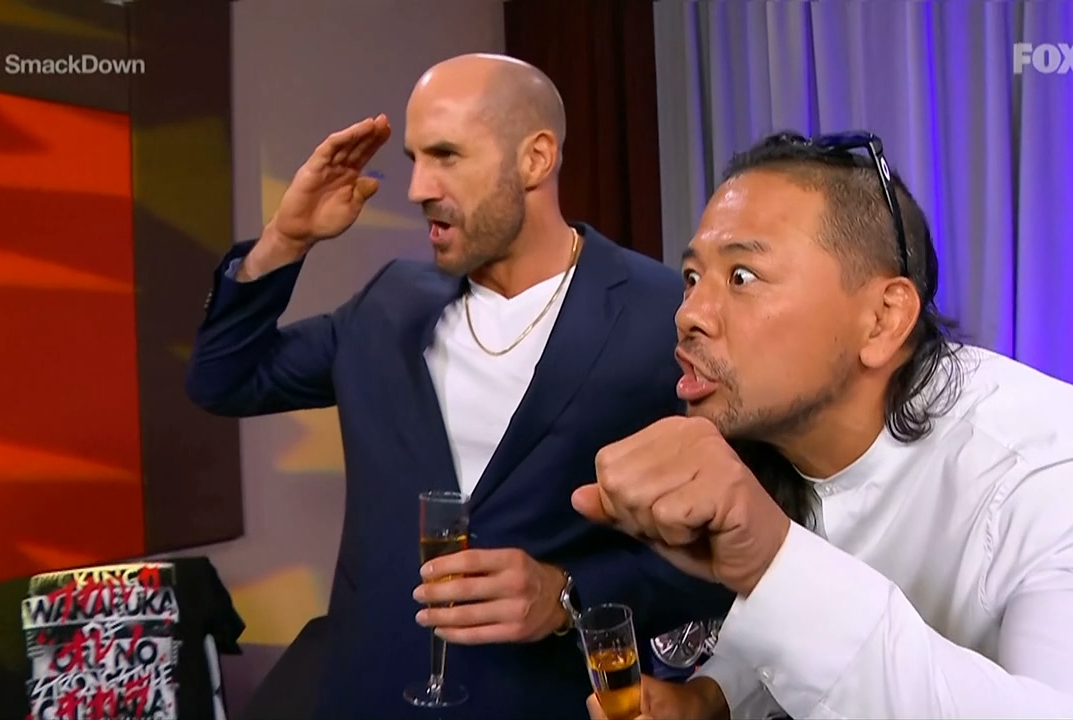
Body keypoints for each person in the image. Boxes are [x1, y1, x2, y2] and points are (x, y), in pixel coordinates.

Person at [184, 53, 733, 720]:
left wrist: (567, 593)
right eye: (414, 159)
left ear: (535, 159)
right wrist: (285, 239)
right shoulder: (389, 302)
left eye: (445, 155)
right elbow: (225, 379)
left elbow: (732, 552)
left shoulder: (660, 313)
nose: (417, 188)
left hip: (544, 704)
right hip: (369, 697)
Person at [575, 131, 1073, 719]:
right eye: (692, 278)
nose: (689, 313)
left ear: (882, 318)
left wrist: (772, 562)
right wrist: (714, 700)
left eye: (742, 277)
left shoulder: (1057, 475)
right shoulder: (780, 444)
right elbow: (816, 620)